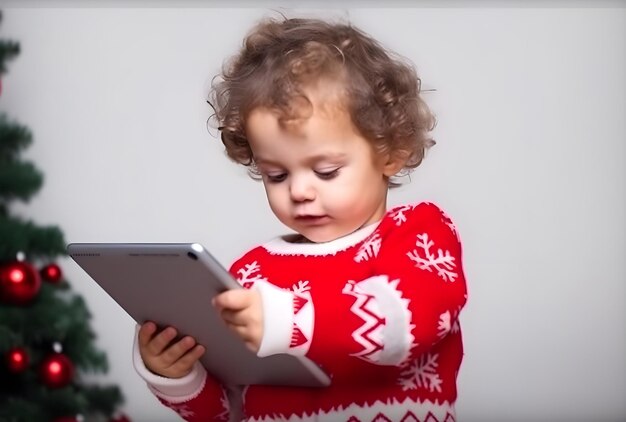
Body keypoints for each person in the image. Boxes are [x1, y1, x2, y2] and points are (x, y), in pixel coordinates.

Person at [132, 15, 468, 422]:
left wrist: (290, 321)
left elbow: (404, 324)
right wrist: (178, 375)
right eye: (277, 174)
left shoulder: (417, 232)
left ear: (390, 152)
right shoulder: (254, 272)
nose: (299, 191)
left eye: (326, 171)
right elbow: (231, 410)